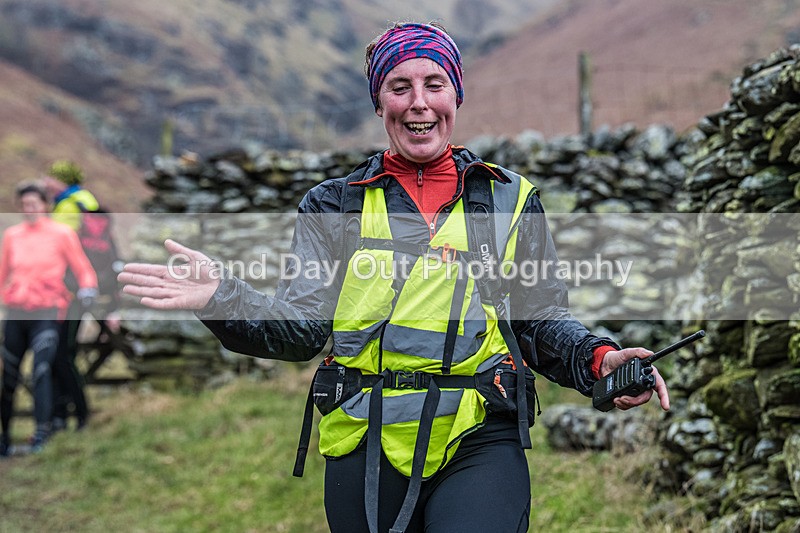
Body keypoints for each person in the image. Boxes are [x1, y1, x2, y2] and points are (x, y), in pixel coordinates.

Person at [119, 22, 670, 533]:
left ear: (456, 96)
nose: (419, 103)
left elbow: (539, 318)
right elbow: (303, 329)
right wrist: (222, 297)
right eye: (400, 86)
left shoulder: (509, 199)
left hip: (478, 430)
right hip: (365, 435)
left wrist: (601, 361)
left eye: (435, 83)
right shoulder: (332, 205)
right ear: (379, 103)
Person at [0, 183, 97, 456]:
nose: (29, 209)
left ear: (45, 205)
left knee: (41, 371)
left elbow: (82, 268)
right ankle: (4, 436)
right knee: (8, 374)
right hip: (17, 310)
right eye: (24, 205)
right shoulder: (12, 236)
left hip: (48, 310)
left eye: (34, 204)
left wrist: (88, 289)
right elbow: (3, 272)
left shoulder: (62, 233)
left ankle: (42, 432)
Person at [43, 160, 118, 431]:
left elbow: (58, 248)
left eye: (50, 176)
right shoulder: (84, 199)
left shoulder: (69, 204)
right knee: (62, 352)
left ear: (62, 180)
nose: (45, 182)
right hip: (83, 288)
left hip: (71, 290)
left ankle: (72, 414)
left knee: (61, 353)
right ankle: (64, 414)